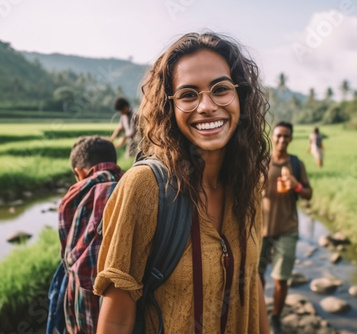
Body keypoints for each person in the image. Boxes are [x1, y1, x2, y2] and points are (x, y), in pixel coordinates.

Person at [93, 32, 270, 333]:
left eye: (221, 89)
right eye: (189, 95)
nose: (206, 106)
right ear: (169, 109)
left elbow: (251, 285)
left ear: (240, 95)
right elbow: (117, 319)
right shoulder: (145, 187)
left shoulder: (249, 183)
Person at [47, 136, 124, 334]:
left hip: (86, 305)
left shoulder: (72, 197)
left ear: (79, 172)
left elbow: (67, 257)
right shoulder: (132, 186)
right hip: (127, 301)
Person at [259, 122, 313, 333]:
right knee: (257, 276)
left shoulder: (296, 164)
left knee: (281, 279)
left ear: (290, 139)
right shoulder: (261, 162)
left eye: (286, 137)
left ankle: (276, 318)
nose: (282, 140)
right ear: (272, 136)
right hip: (261, 230)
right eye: (279, 136)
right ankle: (260, 313)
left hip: (287, 229)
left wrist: (296, 185)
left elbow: (308, 194)